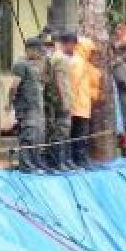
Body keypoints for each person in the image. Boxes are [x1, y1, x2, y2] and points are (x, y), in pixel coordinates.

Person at [9, 36, 46, 173]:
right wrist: (10, 103)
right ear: (30, 50)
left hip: (36, 107)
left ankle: (34, 163)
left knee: (37, 136)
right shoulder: (21, 64)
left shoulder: (34, 65)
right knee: (28, 136)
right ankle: (26, 166)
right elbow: (14, 86)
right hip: (26, 108)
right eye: (37, 51)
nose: (39, 54)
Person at [67, 35, 100, 169]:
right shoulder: (78, 63)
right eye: (91, 51)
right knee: (79, 135)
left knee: (81, 135)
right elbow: (73, 84)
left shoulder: (84, 64)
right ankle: (79, 160)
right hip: (77, 106)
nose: (92, 54)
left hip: (82, 105)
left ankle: (81, 159)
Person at [42, 31, 74, 171]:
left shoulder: (50, 58)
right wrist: (64, 101)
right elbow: (60, 81)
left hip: (53, 99)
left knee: (56, 131)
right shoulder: (60, 58)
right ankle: (59, 162)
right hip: (60, 100)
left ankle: (59, 161)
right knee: (62, 131)